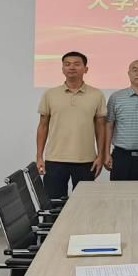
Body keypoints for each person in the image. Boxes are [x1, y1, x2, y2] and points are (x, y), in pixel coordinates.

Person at [36, 51, 106, 197]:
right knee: (53, 203)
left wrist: (100, 155)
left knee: (84, 205)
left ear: (86, 69)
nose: (72, 67)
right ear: (62, 69)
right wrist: (39, 156)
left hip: (86, 160)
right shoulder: (50, 94)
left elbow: (100, 128)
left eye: (77, 64)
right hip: (55, 159)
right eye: (67, 64)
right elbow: (43, 126)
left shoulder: (96, 94)